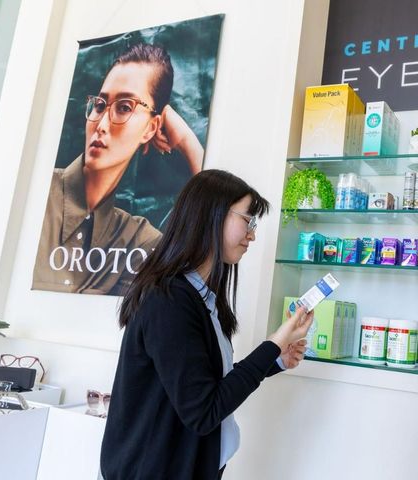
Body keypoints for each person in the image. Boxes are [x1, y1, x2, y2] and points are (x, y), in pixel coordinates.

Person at [100, 169, 313, 479]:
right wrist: (273, 344)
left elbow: (205, 384)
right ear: (211, 215)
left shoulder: (200, 299)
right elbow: (204, 410)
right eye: (248, 221)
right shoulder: (169, 300)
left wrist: (275, 360)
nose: (252, 234)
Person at [33, 43, 204, 295]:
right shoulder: (36, 195)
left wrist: (190, 144)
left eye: (124, 107)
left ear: (150, 128)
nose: (101, 124)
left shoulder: (138, 239)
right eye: (100, 105)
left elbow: (210, 251)